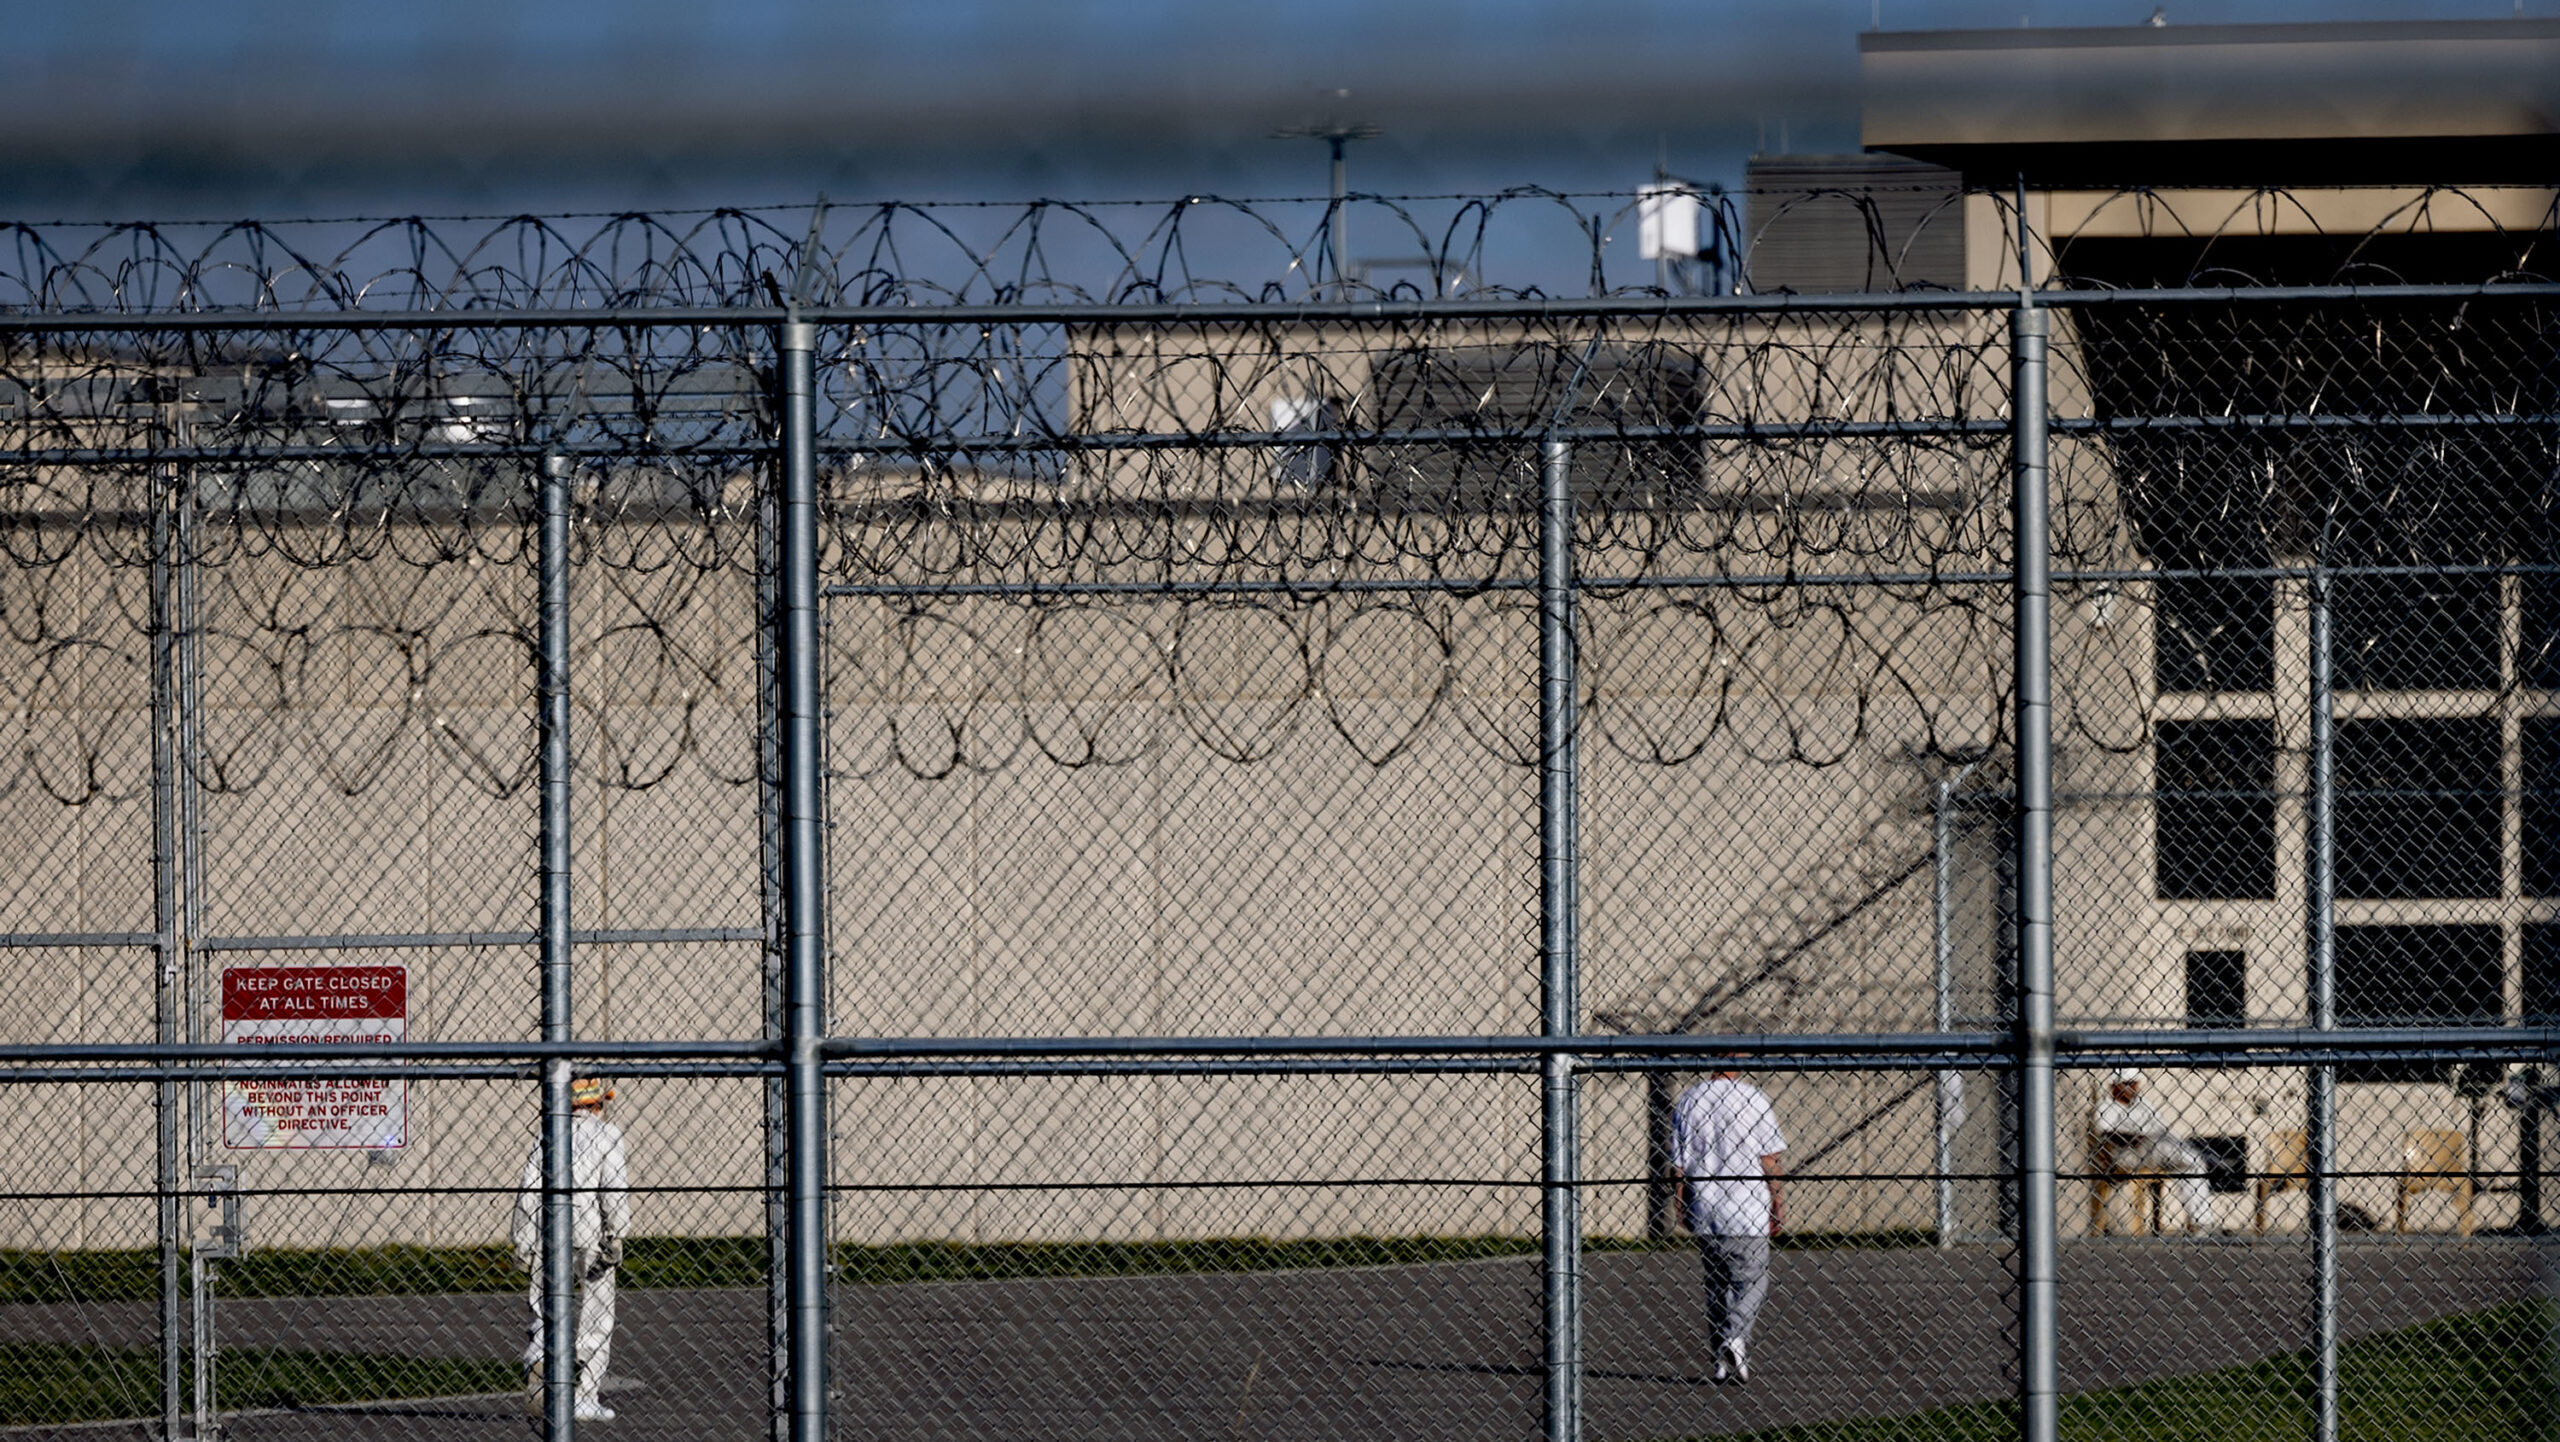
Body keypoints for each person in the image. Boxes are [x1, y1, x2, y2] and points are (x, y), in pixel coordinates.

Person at [512, 1076, 631, 1422]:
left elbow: (529, 1190)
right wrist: (617, 1234)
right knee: (596, 1313)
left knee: (545, 1302)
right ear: (597, 1104)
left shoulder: (547, 1134)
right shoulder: (607, 1135)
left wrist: (522, 1240)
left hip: (548, 1230)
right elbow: (613, 1191)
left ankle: (539, 1354)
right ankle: (583, 1394)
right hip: (589, 1231)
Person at [1671, 1061, 1787, 1385]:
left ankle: (1723, 1360)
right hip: (1746, 1206)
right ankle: (1734, 1337)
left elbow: (1678, 1164)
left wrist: (1680, 1201)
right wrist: (1777, 1200)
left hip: (1708, 1205)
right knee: (1753, 1279)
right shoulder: (1753, 1099)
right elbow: (1769, 1159)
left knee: (1717, 1284)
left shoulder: (1690, 1100)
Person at [2093, 1068, 2218, 1234]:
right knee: (2173, 1148)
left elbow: (2162, 1127)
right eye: (2127, 1084)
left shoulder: (2142, 1104)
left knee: (2193, 1165)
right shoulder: (2106, 1106)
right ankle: (2199, 1156)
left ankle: (2202, 1224)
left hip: (2155, 1150)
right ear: (2115, 1086)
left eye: (2134, 1084)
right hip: (2128, 1155)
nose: (2132, 1089)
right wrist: (2135, 1137)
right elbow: (2106, 1133)